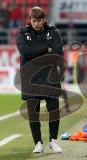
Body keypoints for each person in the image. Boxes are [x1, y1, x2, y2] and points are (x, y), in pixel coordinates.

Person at [16, 6, 63, 153]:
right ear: (30, 20)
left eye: (39, 20)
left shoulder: (54, 33)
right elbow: (25, 52)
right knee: (33, 113)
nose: (37, 23)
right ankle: (38, 143)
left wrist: (35, 53)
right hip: (30, 78)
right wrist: (45, 49)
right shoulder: (23, 34)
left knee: (54, 110)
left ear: (44, 19)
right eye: (34, 20)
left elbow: (57, 53)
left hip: (50, 76)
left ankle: (53, 141)